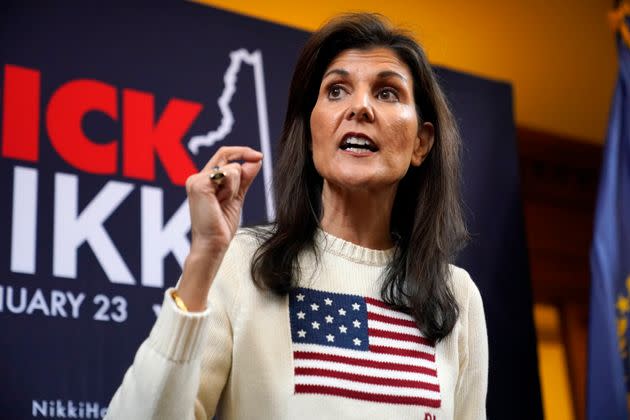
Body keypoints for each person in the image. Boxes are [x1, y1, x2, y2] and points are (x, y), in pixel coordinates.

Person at [105, 12, 488, 420]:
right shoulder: (244, 263)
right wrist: (204, 258)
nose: (359, 107)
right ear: (310, 133)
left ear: (421, 144)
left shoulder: (457, 295)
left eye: (387, 93)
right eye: (336, 90)